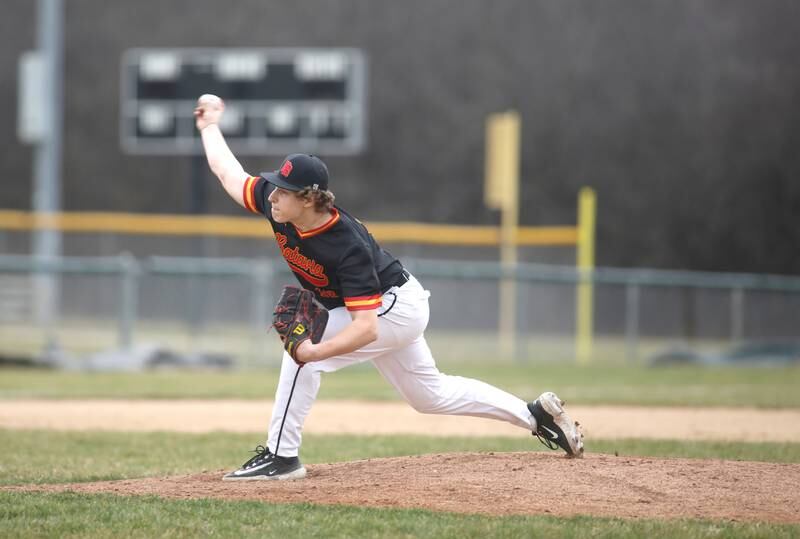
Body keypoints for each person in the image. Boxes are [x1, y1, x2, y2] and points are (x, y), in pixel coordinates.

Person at [193, 94, 584, 481]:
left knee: (300, 358)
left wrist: (314, 352)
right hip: (392, 304)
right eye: (274, 187)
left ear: (310, 198)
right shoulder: (278, 206)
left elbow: (366, 328)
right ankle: (534, 415)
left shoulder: (346, 243)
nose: (272, 195)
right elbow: (229, 173)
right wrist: (209, 125)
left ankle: (282, 457)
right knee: (429, 396)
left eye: (282, 190)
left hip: (392, 307)